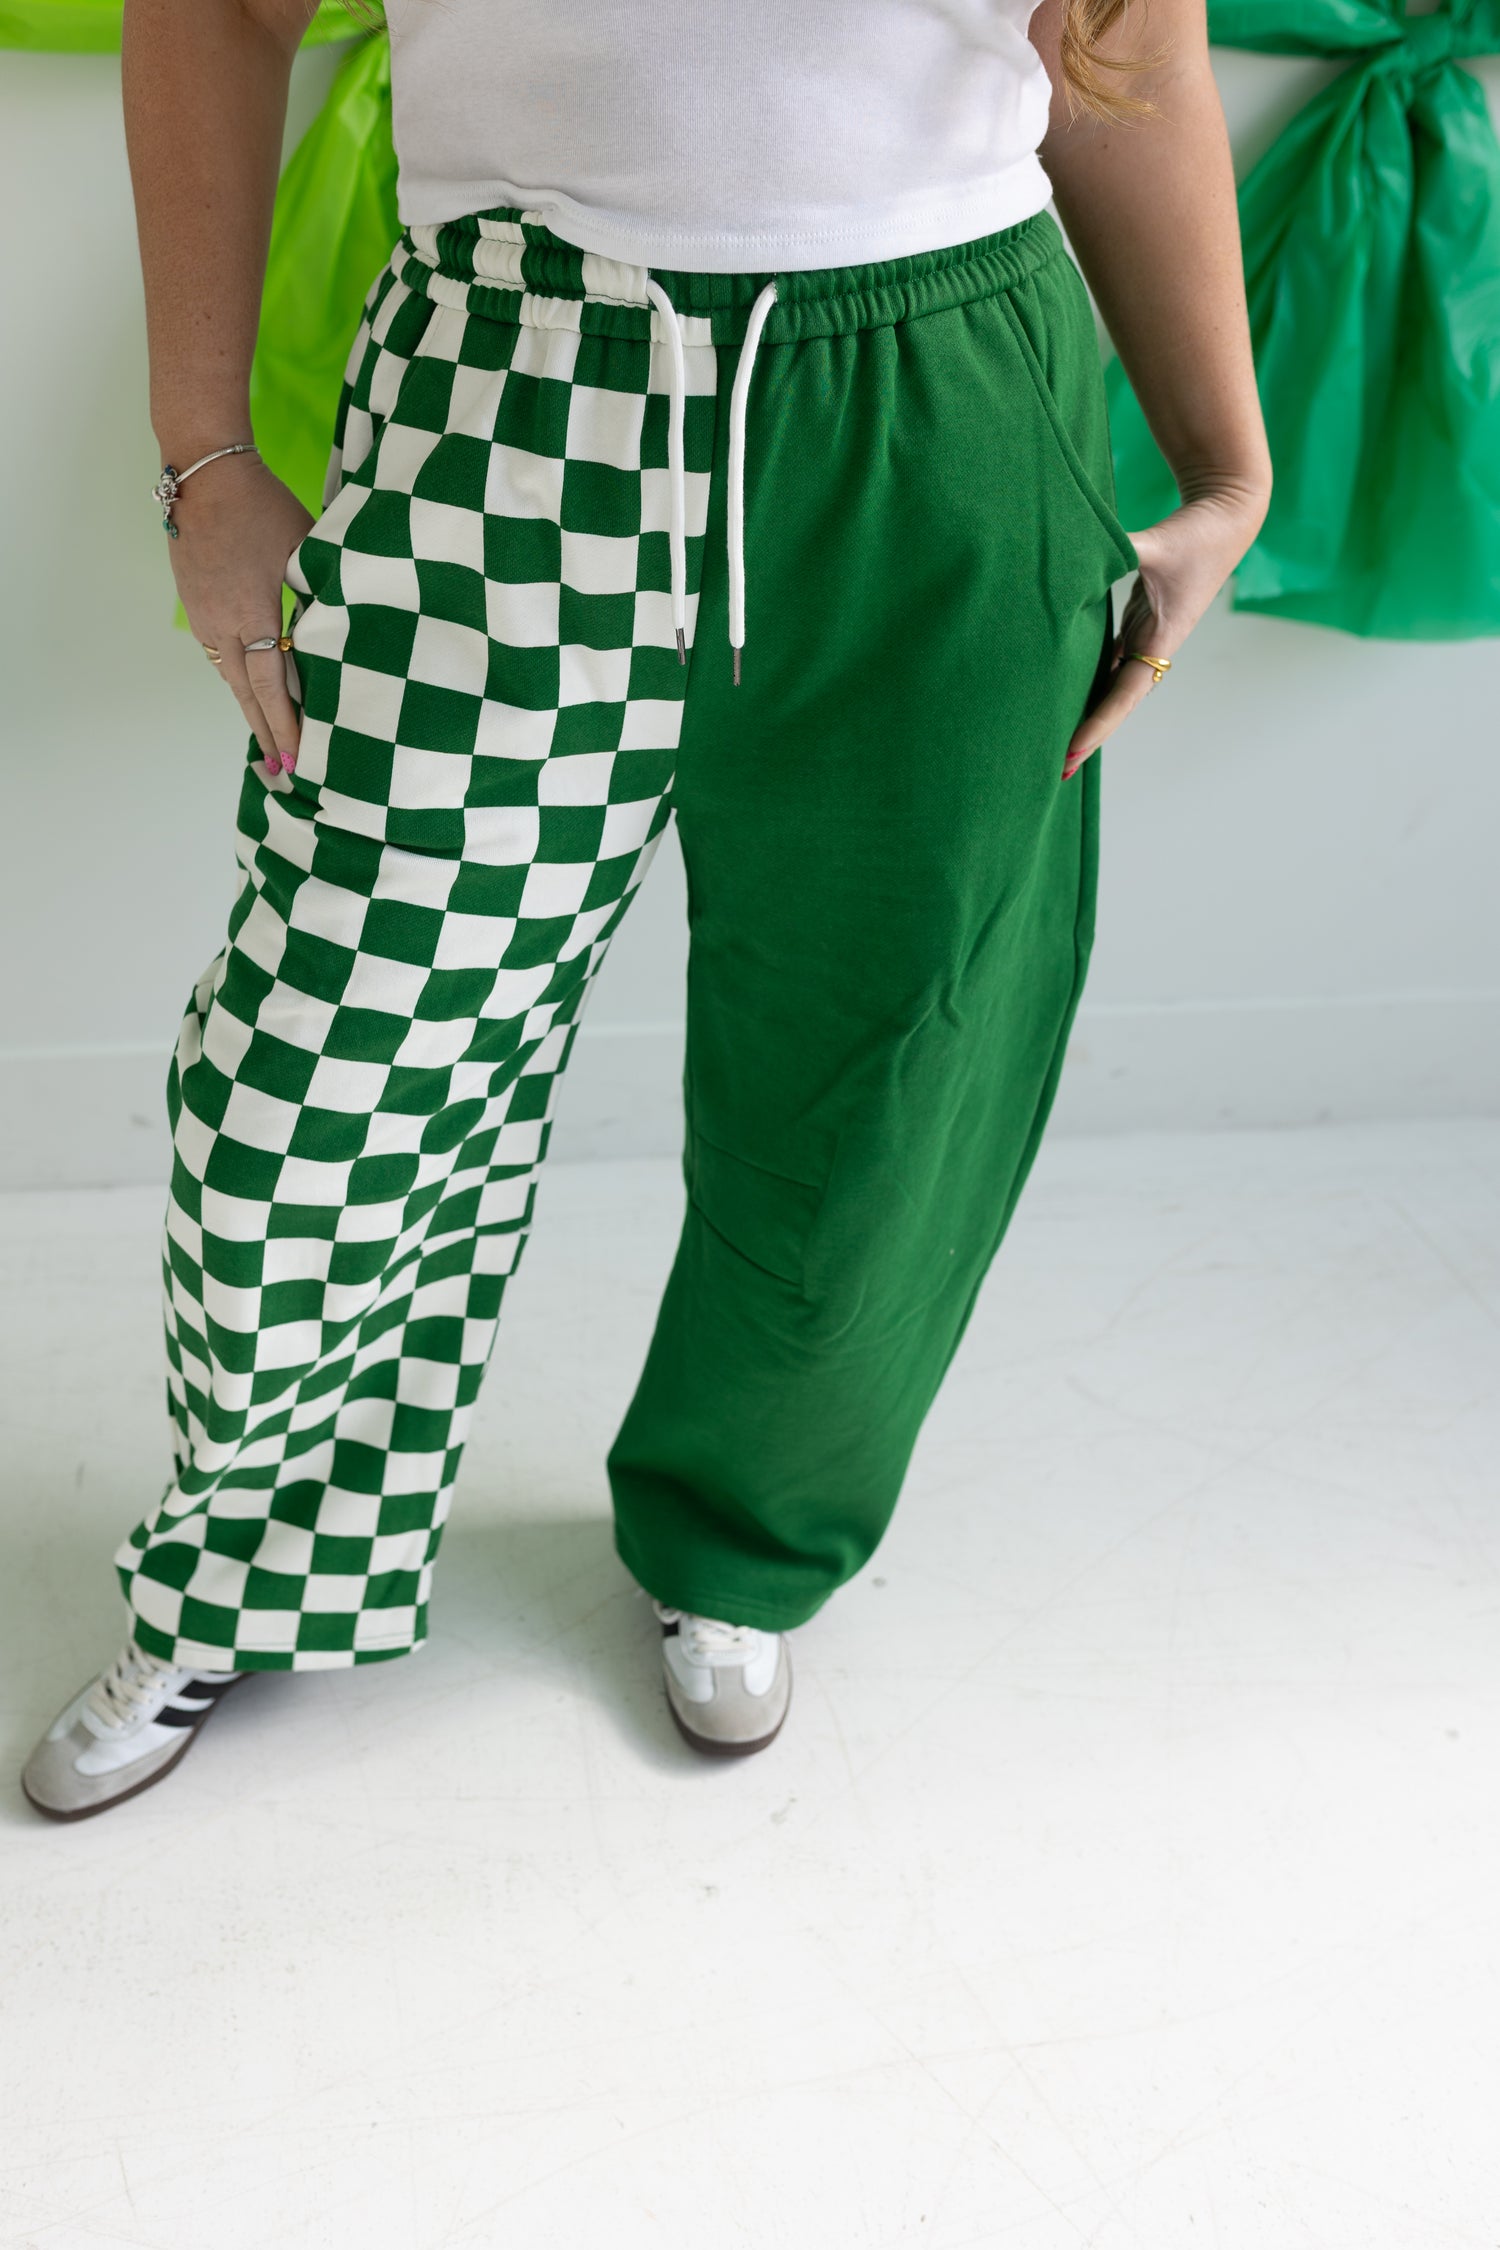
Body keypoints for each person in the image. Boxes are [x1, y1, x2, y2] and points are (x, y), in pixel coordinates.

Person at [23, 0, 1270, 1819]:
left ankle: (742, 1540)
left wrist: (1227, 462)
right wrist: (202, 457)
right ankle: (248, 1571)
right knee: (317, 1080)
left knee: (890, 1075)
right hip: (507, 387)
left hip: (945, 404)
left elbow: (1122, 46)